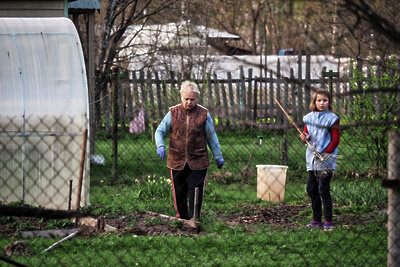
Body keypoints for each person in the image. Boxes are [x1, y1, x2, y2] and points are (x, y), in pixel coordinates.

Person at [155, 81, 224, 220]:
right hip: (177, 158)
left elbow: (211, 137)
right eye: (186, 99)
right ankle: (182, 218)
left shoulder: (203, 114)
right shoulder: (173, 113)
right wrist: (160, 145)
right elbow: (160, 131)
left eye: (192, 99)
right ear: (181, 97)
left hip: (198, 159)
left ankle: (194, 219)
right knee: (179, 191)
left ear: (197, 98)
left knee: (195, 190)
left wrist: (218, 156)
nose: (189, 102)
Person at [300, 89, 340, 229]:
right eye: (319, 100)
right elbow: (307, 136)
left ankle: (328, 221)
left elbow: (335, 140)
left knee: (323, 189)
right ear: (314, 102)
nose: (322, 103)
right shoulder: (308, 118)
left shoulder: (332, 118)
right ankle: (316, 220)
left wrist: (325, 153)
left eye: (325, 100)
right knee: (312, 190)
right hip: (312, 159)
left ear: (329, 102)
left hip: (325, 159)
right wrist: (305, 138)